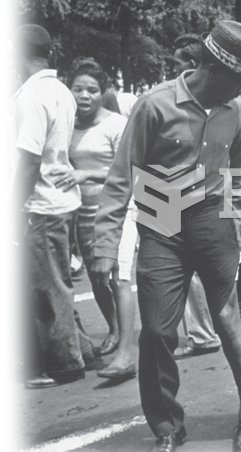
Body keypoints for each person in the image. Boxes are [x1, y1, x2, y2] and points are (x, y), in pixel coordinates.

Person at [91, 20, 241, 452]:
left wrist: (240, 214)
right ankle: (167, 425)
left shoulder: (238, 110)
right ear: (210, 67)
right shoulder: (155, 106)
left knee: (228, 322)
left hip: (212, 222)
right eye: (239, 79)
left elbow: (237, 167)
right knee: (157, 331)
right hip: (162, 221)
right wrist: (105, 245)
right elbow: (120, 178)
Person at [12, 24, 86, 389]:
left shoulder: (31, 97)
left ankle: (64, 363)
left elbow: (28, 162)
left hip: (41, 203)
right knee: (54, 281)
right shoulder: (59, 90)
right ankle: (75, 348)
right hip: (60, 200)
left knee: (48, 286)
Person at [55, 58, 137, 379]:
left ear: (103, 92)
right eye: (78, 89)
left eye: (92, 89)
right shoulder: (66, 124)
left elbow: (128, 172)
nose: (85, 95)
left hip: (117, 212)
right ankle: (115, 331)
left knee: (118, 276)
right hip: (82, 213)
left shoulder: (116, 124)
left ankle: (126, 354)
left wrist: (85, 173)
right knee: (96, 278)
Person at [168, 34, 223, 362]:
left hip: (192, 191)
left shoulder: (189, 101)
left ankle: (203, 333)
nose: (174, 70)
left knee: (189, 269)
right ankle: (205, 330)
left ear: (192, 65)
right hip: (196, 189)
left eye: (177, 63)